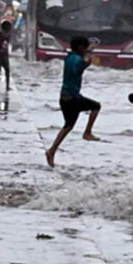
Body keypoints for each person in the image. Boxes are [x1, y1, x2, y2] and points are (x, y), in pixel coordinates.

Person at [46, 37, 101, 167]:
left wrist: (88, 56)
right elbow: (79, 68)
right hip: (72, 98)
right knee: (96, 106)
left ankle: (52, 150)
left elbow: (80, 65)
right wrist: (88, 59)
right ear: (81, 48)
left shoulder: (69, 57)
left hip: (64, 97)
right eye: (85, 48)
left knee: (68, 126)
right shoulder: (76, 59)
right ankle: (87, 132)